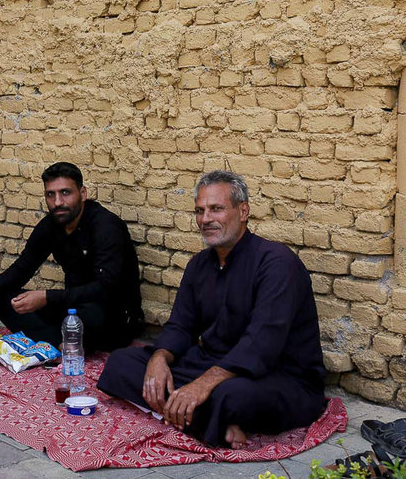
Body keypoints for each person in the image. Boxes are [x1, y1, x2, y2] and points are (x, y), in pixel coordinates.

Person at [97, 170, 326, 449]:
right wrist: (159, 360)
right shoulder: (199, 265)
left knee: (230, 397)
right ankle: (213, 421)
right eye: (200, 211)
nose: (206, 219)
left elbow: (262, 344)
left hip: (278, 376)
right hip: (212, 364)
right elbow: (181, 326)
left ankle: (207, 414)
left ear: (243, 211)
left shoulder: (276, 263)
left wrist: (201, 387)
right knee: (122, 363)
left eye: (216, 209)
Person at [0, 162, 141, 349]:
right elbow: (25, 265)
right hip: (71, 308)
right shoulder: (52, 224)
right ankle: (62, 344)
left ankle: (61, 341)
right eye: (50, 195)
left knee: (92, 316)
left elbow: (106, 288)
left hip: (111, 313)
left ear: (83, 194)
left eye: (65, 193)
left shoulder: (106, 226)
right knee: (4, 299)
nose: (58, 202)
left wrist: (47, 297)